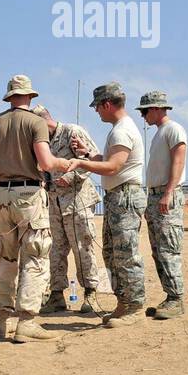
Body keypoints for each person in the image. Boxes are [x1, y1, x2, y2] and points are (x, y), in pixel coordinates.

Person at [0, 75, 78, 343]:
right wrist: (66, 163)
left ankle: (1, 322)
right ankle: (27, 322)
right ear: (30, 96)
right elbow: (46, 163)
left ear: (9, 96)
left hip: (1, 196)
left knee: (5, 259)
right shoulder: (35, 122)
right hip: (29, 196)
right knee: (35, 258)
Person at [71, 82, 147, 328]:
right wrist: (89, 156)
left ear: (107, 104)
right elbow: (110, 161)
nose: (96, 112)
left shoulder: (121, 131)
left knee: (125, 254)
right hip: (117, 197)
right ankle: (123, 303)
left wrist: (79, 164)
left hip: (124, 196)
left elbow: (114, 166)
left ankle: (134, 307)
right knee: (112, 254)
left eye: (97, 107)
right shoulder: (119, 129)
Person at [31, 105, 105, 317]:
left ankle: (90, 293)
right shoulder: (42, 142)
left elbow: (93, 160)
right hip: (54, 203)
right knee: (55, 250)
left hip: (77, 200)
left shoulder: (73, 132)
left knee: (83, 246)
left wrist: (71, 176)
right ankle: (56, 295)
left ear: (45, 122)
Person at [138, 90, 188, 320]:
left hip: (167, 195)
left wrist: (168, 193)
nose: (143, 116)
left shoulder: (173, 129)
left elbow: (178, 161)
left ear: (157, 109)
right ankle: (170, 297)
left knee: (168, 249)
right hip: (155, 195)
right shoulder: (160, 133)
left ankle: (176, 299)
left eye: (146, 111)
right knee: (158, 251)